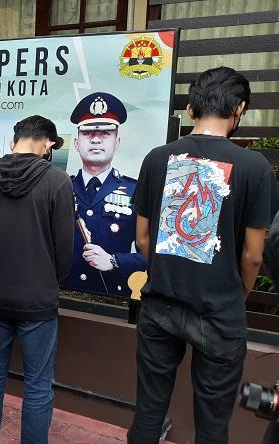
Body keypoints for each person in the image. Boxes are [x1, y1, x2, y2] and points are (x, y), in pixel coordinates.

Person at [127, 67, 278, 444]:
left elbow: (143, 239)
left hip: (159, 304)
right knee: (212, 428)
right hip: (220, 312)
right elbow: (254, 255)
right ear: (239, 108)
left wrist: (166, 273)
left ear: (193, 108)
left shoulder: (156, 158)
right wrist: (236, 295)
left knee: (148, 413)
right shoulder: (255, 167)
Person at [0, 116, 74, 444]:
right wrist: (48, 280)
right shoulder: (58, 182)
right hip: (37, 302)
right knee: (37, 385)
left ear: (16, 140)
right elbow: (65, 248)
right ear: (46, 143)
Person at [62, 92, 146, 299]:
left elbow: (153, 255)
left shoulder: (135, 191)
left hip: (111, 301)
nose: (96, 140)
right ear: (76, 143)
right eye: (88, 133)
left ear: (117, 142)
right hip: (61, 297)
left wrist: (114, 261)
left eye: (106, 133)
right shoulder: (60, 188)